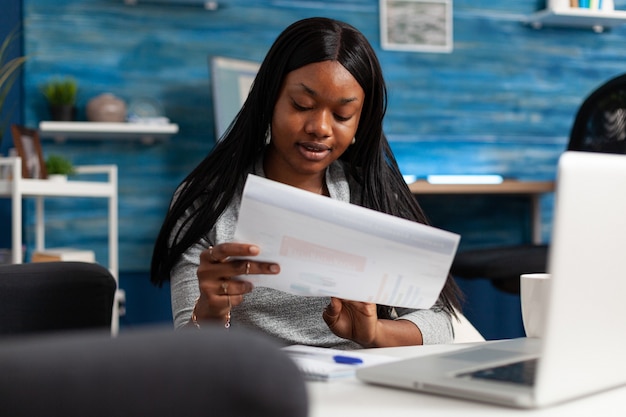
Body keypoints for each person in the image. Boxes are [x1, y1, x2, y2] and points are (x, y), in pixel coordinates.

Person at [151, 16, 463, 349]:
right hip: (254, 383)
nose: (320, 127)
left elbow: (442, 321)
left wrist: (372, 333)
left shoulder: (370, 194)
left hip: (356, 384)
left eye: (342, 115)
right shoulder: (208, 200)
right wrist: (209, 312)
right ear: (270, 99)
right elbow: (187, 348)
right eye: (302, 105)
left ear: (361, 121)